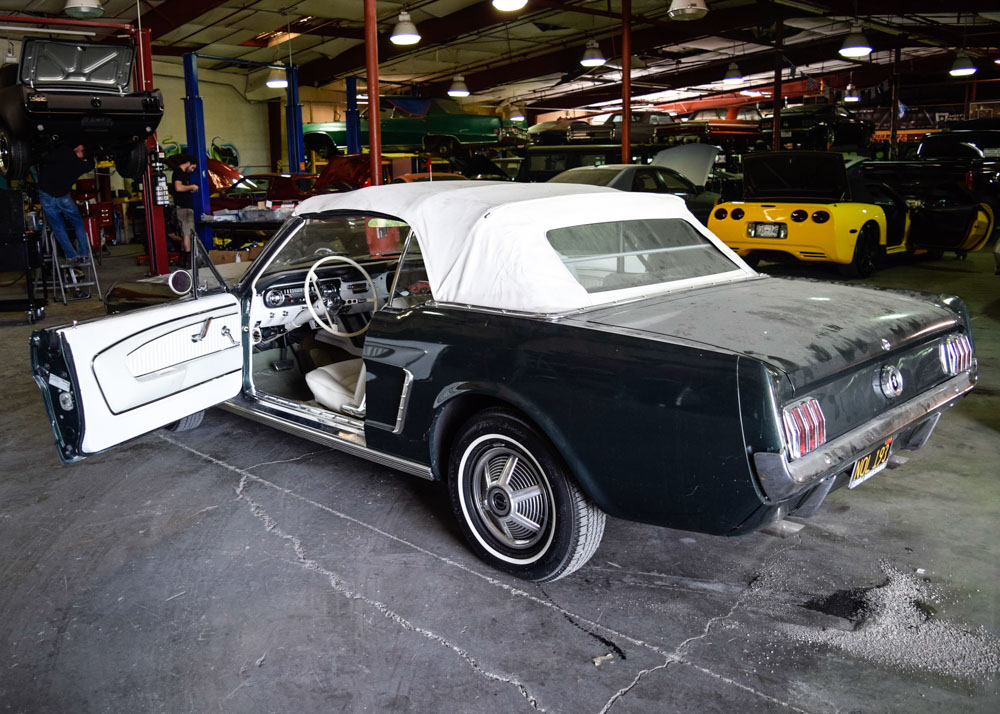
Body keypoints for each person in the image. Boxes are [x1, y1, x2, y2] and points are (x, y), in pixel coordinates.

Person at [37, 143, 94, 264]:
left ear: (80, 149)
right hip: (63, 196)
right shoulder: (80, 166)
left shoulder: (65, 150)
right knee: (78, 223)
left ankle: (71, 255)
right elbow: (90, 165)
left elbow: (45, 158)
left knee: (58, 227)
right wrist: (91, 157)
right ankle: (84, 254)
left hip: (46, 194)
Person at [171, 154, 199, 258]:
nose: (192, 170)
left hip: (183, 207)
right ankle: (189, 259)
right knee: (188, 233)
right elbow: (178, 188)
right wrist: (192, 187)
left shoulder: (181, 173)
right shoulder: (178, 172)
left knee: (185, 233)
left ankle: (184, 258)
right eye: (192, 167)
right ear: (188, 163)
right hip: (184, 208)